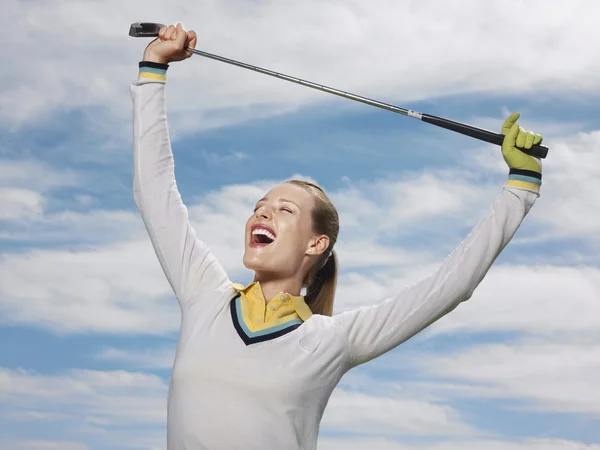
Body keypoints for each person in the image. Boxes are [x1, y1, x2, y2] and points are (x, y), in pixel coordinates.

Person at [131, 23, 544, 450]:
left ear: (316, 244)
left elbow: (450, 286)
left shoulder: (332, 341)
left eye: (284, 210)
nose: (263, 212)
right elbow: (154, 191)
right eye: (259, 206)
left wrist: (521, 185)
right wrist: (153, 68)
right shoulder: (207, 300)